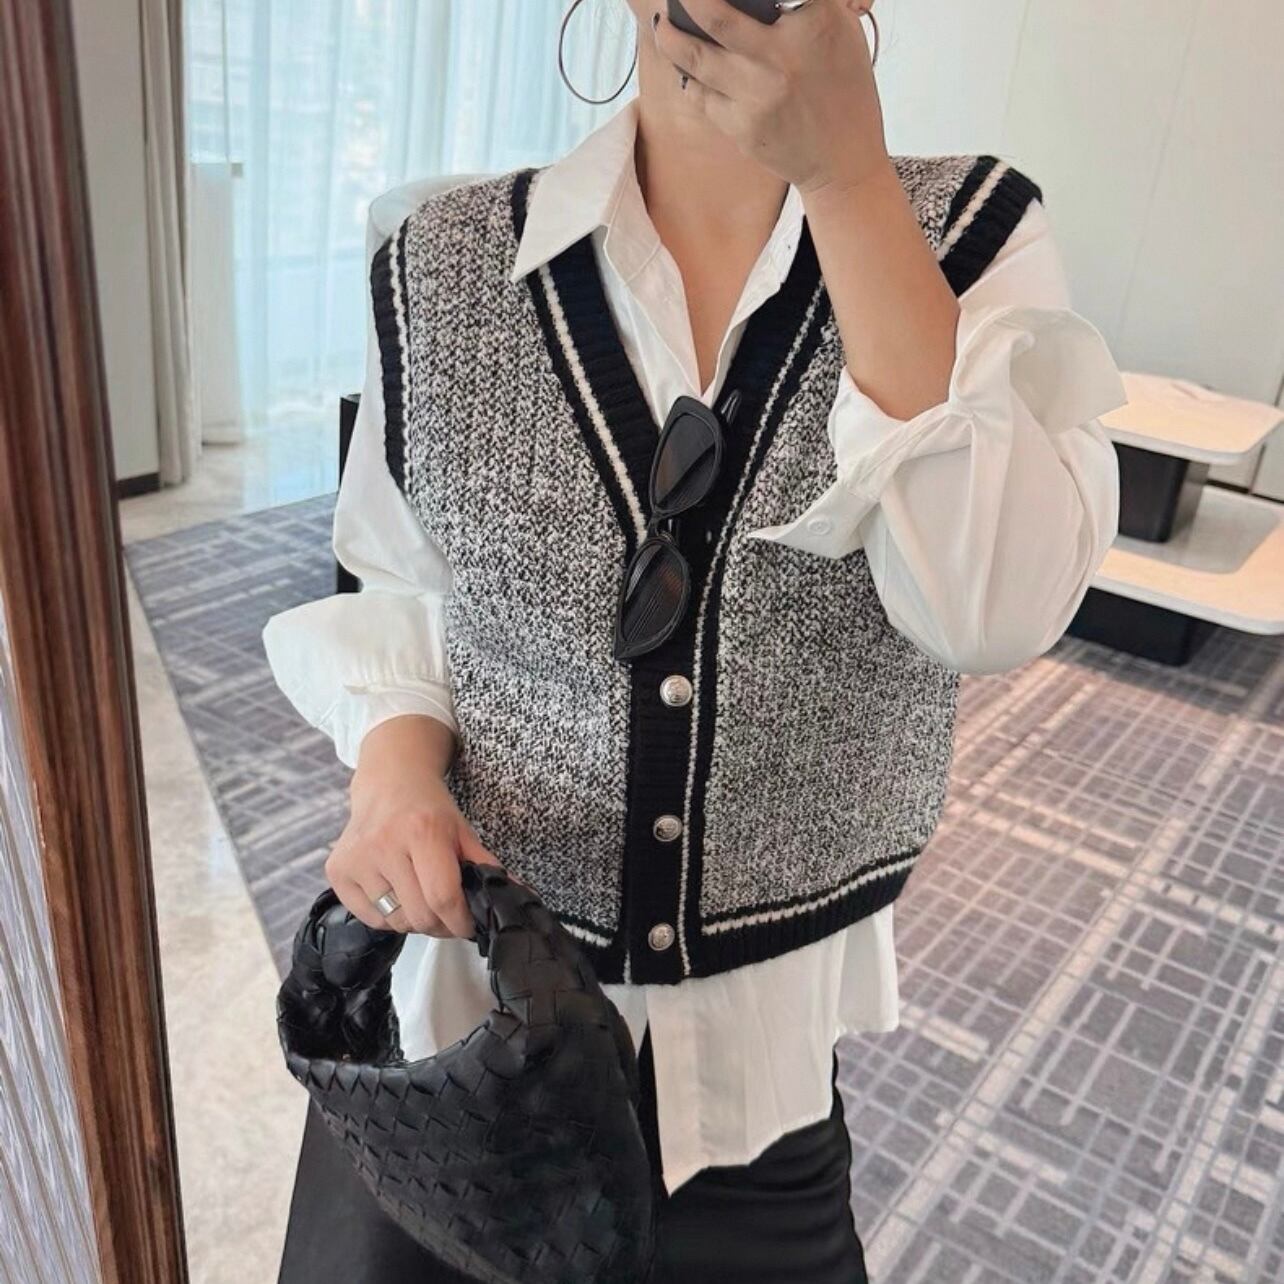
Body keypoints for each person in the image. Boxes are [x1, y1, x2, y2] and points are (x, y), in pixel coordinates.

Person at [264, 0, 1125, 1278]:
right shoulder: (438, 255)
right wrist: (393, 774)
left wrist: (845, 181)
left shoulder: (974, 237)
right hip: (459, 1054)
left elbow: (990, 608)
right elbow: (400, 577)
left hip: (753, 1095)